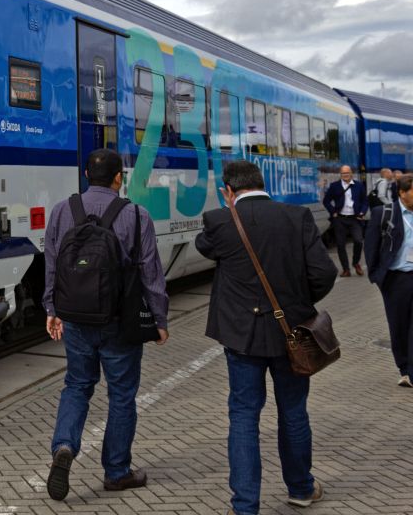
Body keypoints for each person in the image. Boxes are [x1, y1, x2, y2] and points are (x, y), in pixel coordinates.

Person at [196, 160, 337, 515]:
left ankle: (245, 506)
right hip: (290, 335)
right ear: (263, 182)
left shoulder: (219, 221)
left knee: (243, 415)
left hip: (241, 338)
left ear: (229, 191)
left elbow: (205, 246)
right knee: (293, 411)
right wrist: (297, 305)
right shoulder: (296, 216)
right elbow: (323, 272)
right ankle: (302, 489)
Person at [42, 148, 169, 501]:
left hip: (76, 319)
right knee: (122, 394)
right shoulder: (136, 215)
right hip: (119, 321)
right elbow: (150, 272)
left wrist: (51, 308)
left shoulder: (61, 210)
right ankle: (116, 472)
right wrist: (159, 319)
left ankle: (64, 446)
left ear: (86, 174)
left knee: (77, 385)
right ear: (119, 178)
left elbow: (52, 262)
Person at [363, 174, 413, 387]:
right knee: (399, 325)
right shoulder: (383, 213)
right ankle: (404, 367)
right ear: (402, 193)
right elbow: (371, 246)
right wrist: (377, 277)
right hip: (396, 279)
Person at [322, 165, 368, 277]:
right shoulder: (335, 186)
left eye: (347, 173)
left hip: (355, 218)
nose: (345, 175)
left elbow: (365, 201)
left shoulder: (359, 185)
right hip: (340, 219)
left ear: (351, 173)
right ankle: (346, 269)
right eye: (343, 173)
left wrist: (362, 212)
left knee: (358, 241)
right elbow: (326, 201)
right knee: (341, 245)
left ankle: (356, 262)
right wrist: (333, 211)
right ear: (340, 174)